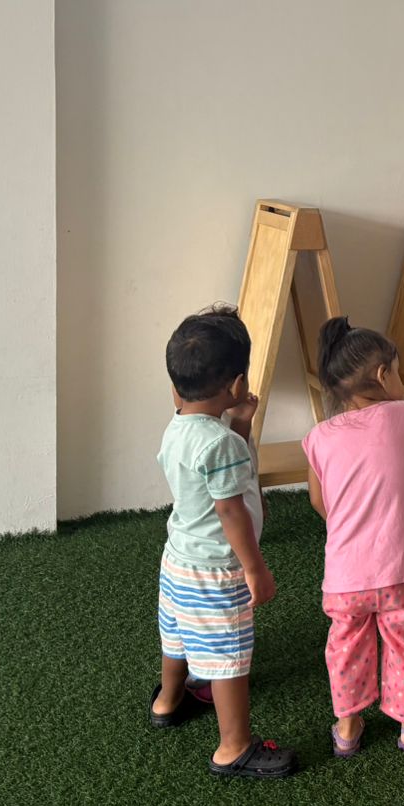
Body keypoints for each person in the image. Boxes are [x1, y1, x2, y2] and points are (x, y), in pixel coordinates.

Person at [149, 306, 297, 779]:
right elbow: (230, 509)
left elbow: (219, 475)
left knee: (176, 636)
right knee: (229, 655)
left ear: (176, 388)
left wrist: (242, 423)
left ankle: (169, 700)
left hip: (179, 561)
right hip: (217, 570)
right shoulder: (221, 445)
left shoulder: (178, 427)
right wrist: (254, 568)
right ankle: (233, 747)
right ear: (236, 385)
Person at [304, 319, 404, 758]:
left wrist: (348, 525)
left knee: (345, 646)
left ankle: (348, 728)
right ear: (384, 375)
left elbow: (318, 500)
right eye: (399, 370)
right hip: (400, 566)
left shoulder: (318, 437)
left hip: (344, 575)